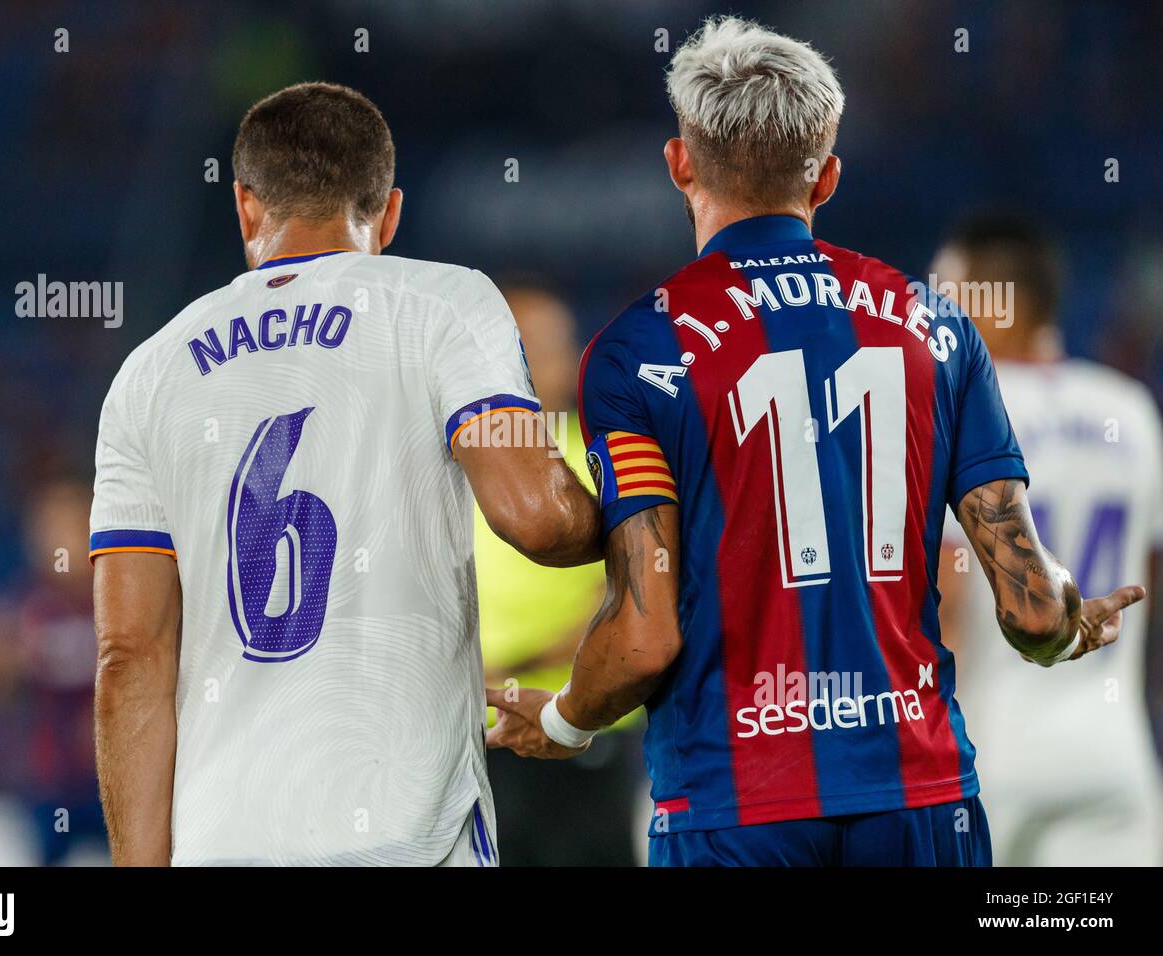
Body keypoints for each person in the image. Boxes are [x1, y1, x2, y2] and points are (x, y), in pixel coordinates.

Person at [486, 15, 1145, 867]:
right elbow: (1028, 609)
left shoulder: (637, 351)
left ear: (680, 164)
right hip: (921, 798)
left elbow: (645, 636)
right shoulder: (935, 329)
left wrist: (567, 720)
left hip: (734, 803)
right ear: (827, 176)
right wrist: (1065, 624)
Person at [89, 82, 601, 866]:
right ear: (389, 212)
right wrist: (647, 514)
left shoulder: (147, 374)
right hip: (408, 837)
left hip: (220, 842)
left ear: (246, 208)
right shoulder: (445, 304)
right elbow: (536, 516)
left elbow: (130, 658)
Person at [932, 214, 1163, 865]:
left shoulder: (962, 407)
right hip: (1112, 753)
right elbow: (1147, 593)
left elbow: (949, 600)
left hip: (991, 750)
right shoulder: (1132, 409)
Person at [476, 281, 642, 866]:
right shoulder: (452, 468)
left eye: (550, 346)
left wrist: (506, 668)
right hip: (481, 738)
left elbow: (636, 594)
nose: (537, 364)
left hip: (582, 727)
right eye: (520, 348)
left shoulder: (608, 458)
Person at [0, 478, 106, 864]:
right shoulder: (22, 607)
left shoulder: (116, 598)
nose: (59, 541)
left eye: (69, 526)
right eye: (49, 529)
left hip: (114, 776)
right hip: (48, 782)